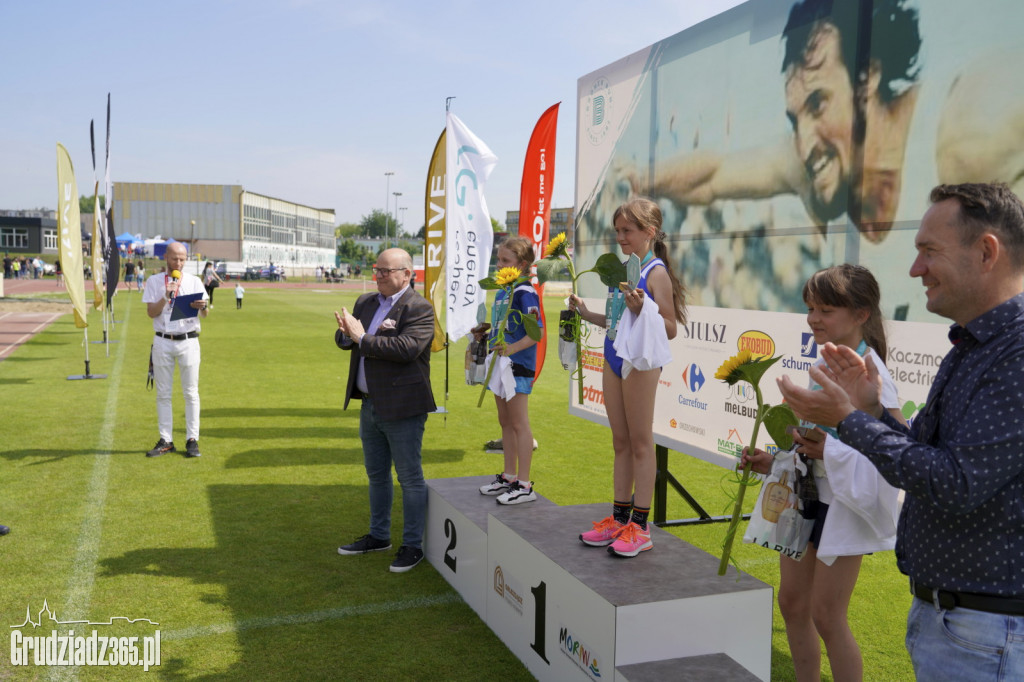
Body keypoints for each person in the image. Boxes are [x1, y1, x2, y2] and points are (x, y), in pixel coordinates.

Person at [778, 183, 1024, 680]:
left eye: (928, 251)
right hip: (956, 620)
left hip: (983, 631)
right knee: (797, 605)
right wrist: (872, 416)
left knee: (827, 616)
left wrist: (849, 423)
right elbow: (926, 453)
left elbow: (955, 482)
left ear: (986, 252)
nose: (915, 270)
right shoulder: (973, 345)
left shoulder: (1014, 353)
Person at [741, 264, 902, 681]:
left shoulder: (874, 375)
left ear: (862, 313)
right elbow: (813, 442)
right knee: (793, 604)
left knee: (828, 616)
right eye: (811, 308)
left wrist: (827, 450)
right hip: (806, 497)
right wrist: (772, 462)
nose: (814, 319)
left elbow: (894, 457)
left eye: (826, 309)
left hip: (844, 507)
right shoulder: (826, 361)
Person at [569, 197, 686, 557]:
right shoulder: (623, 270)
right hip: (612, 356)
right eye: (617, 231)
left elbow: (669, 327)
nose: (620, 237)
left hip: (640, 362)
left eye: (627, 231)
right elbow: (617, 321)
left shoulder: (656, 272)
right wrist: (587, 313)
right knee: (620, 441)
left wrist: (643, 307)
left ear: (649, 232)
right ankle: (620, 519)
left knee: (639, 442)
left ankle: (641, 527)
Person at [334, 248, 436, 573]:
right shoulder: (366, 302)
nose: (377, 275)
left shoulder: (419, 308)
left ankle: (413, 545)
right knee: (376, 475)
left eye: (385, 271)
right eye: (376, 269)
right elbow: (346, 341)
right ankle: (379, 536)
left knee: (409, 477)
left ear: (407, 274)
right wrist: (346, 335)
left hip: (403, 407)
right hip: (370, 404)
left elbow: (406, 349)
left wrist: (360, 337)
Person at [477, 237, 544, 505]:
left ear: (523, 264)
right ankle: (509, 476)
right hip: (500, 364)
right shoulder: (504, 291)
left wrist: (511, 349)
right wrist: (486, 331)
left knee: (519, 423)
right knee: (505, 422)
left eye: (506, 261)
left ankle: (525, 485)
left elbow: (535, 333)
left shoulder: (525, 292)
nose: (500, 265)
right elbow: (504, 326)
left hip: (517, 366)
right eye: (499, 260)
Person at [142, 242, 209, 459]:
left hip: (188, 341)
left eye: (182, 259)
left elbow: (206, 314)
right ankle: (166, 440)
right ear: (165, 258)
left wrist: (203, 306)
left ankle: (192, 439)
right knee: (163, 393)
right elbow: (151, 312)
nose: (178, 263)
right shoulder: (154, 281)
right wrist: (165, 295)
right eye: (174, 259)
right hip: (163, 340)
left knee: (191, 392)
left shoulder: (194, 281)